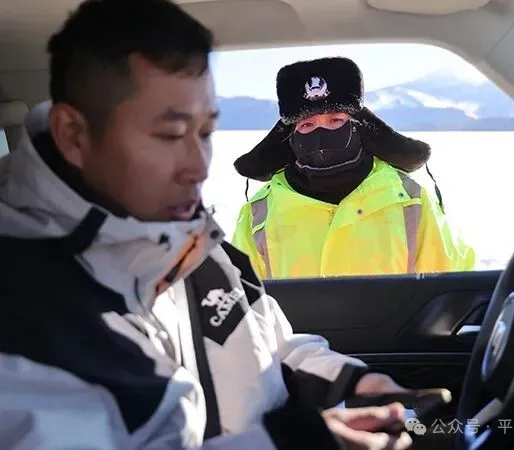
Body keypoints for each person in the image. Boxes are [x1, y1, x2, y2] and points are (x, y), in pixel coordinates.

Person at [0, 1, 417, 449]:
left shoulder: (196, 244)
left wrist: (352, 382)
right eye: (169, 135)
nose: (198, 166)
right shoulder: (24, 312)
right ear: (74, 135)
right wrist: (295, 443)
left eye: (204, 133)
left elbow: (270, 347)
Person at [232, 57, 476, 279]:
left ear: (359, 126)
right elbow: (240, 295)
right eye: (307, 125)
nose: (321, 134)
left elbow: (452, 286)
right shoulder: (259, 214)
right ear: (291, 136)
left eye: (336, 120)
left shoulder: (411, 201)